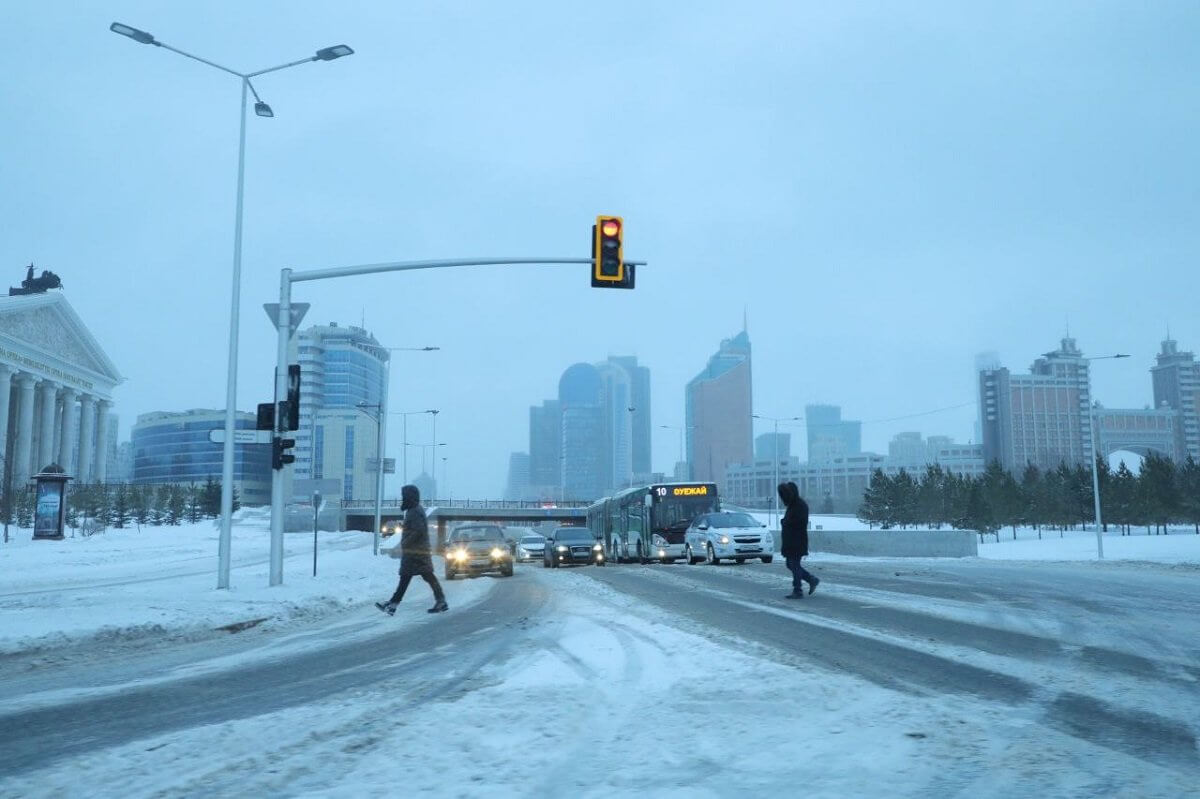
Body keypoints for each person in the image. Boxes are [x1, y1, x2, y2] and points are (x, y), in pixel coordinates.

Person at [376, 484, 448, 615]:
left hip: (417, 552)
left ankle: (440, 601)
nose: (402, 498)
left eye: (404, 495)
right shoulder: (413, 510)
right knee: (409, 578)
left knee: (423, 576)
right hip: (415, 551)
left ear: (410, 497)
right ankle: (393, 604)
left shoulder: (415, 511)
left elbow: (417, 531)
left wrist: (405, 543)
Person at [779, 481, 819, 599]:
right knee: (790, 564)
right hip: (791, 541)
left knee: (794, 565)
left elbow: (796, 522)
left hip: (797, 541)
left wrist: (785, 522)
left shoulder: (800, 505)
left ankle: (798, 590)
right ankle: (811, 579)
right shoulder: (793, 505)